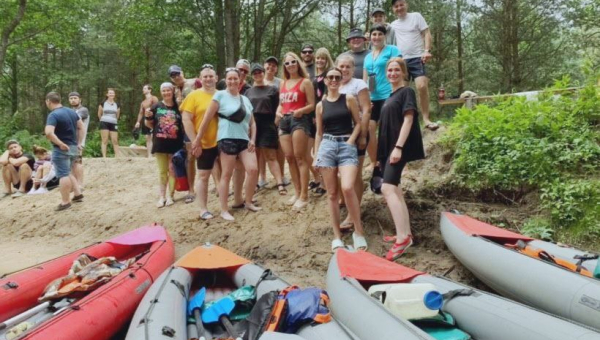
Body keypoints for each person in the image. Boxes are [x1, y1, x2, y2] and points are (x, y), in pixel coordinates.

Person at [195, 68, 260, 221]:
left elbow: (253, 123)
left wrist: (253, 140)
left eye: (235, 79)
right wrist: (198, 139)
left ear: (240, 80)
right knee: (226, 175)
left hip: (244, 140)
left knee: (253, 169)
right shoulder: (220, 95)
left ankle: (248, 201)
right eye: (229, 79)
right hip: (226, 138)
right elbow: (206, 119)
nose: (232, 81)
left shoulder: (245, 99)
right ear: (225, 80)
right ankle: (224, 209)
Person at [314, 68, 366, 251]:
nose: (334, 80)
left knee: (348, 187)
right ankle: (337, 236)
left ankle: (358, 232)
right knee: (332, 194)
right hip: (327, 146)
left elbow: (358, 123)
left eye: (337, 77)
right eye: (331, 77)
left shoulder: (349, 99)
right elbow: (319, 133)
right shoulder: (320, 105)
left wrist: (351, 141)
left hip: (346, 144)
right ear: (326, 81)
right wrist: (316, 156)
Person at [378, 57, 425, 260]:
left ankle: (402, 239)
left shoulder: (407, 92)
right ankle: (405, 234)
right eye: (390, 70)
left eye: (397, 70)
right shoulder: (390, 95)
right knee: (396, 189)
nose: (393, 73)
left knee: (386, 188)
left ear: (404, 72)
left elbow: (409, 119)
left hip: (399, 147)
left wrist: (398, 147)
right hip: (390, 149)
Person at [391, 0, 438, 130]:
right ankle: (404, 121)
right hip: (401, 60)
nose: (399, 8)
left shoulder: (416, 16)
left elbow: (427, 33)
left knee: (422, 86)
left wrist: (427, 51)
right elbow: (380, 32)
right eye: (396, 6)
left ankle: (426, 119)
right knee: (401, 92)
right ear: (393, 9)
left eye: (401, 5)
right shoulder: (393, 25)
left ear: (406, 5)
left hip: (417, 57)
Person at [277, 52, 316, 210]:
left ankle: (304, 195)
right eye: (287, 63)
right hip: (284, 120)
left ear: (298, 63)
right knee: (289, 157)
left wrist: (301, 111)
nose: (291, 65)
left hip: (299, 119)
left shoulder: (305, 82)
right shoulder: (283, 83)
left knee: (300, 157)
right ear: (284, 66)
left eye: (293, 62)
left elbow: (312, 105)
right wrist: (277, 111)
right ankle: (297, 191)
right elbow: (281, 103)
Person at [336, 55, 371, 229]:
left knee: (354, 175)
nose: (344, 69)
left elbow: (366, 110)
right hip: (337, 135)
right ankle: (345, 202)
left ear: (353, 68)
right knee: (340, 173)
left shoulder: (359, 85)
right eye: (341, 66)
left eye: (348, 66)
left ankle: (352, 215)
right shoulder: (334, 85)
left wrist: (363, 135)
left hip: (356, 134)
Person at [182, 66, 221, 220]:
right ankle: (203, 209)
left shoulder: (222, 95)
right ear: (200, 79)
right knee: (203, 175)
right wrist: (194, 141)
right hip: (203, 142)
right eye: (205, 77)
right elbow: (186, 119)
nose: (208, 79)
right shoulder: (193, 96)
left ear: (216, 78)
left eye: (211, 76)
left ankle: (225, 206)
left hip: (223, 141)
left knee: (225, 174)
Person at [363, 24, 402, 168]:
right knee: (369, 128)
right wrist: (365, 98)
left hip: (389, 95)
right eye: (374, 34)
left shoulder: (393, 50)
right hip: (372, 97)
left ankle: (396, 159)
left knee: (390, 128)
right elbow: (365, 79)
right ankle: (375, 161)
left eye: (380, 34)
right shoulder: (367, 57)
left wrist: (399, 92)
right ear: (370, 37)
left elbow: (400, 69)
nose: (377, 37)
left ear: (385, 36)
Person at [245, 64, 286, 194]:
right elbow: (245, 111)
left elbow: (279, 107)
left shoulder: (273, 89)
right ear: (252, 75)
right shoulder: (248, 92)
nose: (257, 74)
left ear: (263, 73)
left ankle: (279, 182)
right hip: (253, 125)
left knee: (271, 155)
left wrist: (277, 123)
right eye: (255, 72)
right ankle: (254, 183)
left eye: (260, 72)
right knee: (254, 156)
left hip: (268, 124)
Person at [145, 83, 184, 208]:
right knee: (162, 171)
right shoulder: (156, 106)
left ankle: (170, 196)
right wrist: (149, 119)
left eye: (168, 90)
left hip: (175, 144)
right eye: (164, 90)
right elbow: (148, 123)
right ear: (161, 92)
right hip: (160, 144)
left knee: (172, 170)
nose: (166, 92)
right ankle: (161, 196)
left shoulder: (178, 107)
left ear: (172, 91)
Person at [44, 91, 84, 211]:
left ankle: (65, 202)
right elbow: (81, 127)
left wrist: (60, 144)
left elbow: (48, 133)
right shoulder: (72, 112)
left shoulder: (53, 115)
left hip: (61, 149)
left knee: (63, 174)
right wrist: (78, 143)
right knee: (68, 171)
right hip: (73, 147)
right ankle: (77, 194)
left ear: (48, 101)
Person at [169, 65, 198, 203]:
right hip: (185, 126)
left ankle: (218, 185)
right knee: (190, 155)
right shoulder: (174, 90)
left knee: (213, 155)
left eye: (177, 73)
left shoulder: (195, 82)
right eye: (172, 75)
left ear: (182, 72)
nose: (176, 76)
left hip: (201, 121)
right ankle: (191, 190)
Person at [310, 48, 336, 196]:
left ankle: (326, 185)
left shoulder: (328, 75)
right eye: (318, 58)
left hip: (324, 114)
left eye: (323, 58)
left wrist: (320, 112)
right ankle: (320, 180)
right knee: (316, 149)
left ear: (327, 60)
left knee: (323, 149)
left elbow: (327, 96)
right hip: (314, 116)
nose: (320, 61)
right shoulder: (315, 76)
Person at [69, 92, 88, 190]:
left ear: (80, 99)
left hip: (79, 141)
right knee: (72, 164)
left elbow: (74, 120)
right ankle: (74, 184)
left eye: (75, 98)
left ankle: (80, 184)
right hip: (71, 141)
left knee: (78, 162)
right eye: (71, 98)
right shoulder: (70, 110)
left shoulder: (83, 110)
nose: (73, 100)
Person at [135, 84, 159, 157]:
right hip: (145, 119)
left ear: (149, 90)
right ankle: (149, 155)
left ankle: (155, 154)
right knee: (147, 137)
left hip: (153, 119)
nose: (143, 90)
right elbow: (141, 113)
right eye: (143, 89)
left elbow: (158, 107)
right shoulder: (143, 102)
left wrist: (152, 111)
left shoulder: (153, 98)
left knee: (153, 136)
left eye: (145, 88)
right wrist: (138, 122)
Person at [97, 88, 121, 158]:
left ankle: (117, 156)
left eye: (112, 93)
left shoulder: (117, 104)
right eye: (110, 93)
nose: (111, 94)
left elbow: (117, 115)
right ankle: (104, 156)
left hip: (113, 123)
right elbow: (99, 114)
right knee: (105, 140)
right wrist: (102, 120)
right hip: (104, 122)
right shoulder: (103, 103)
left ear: (114, 94)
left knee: (115, 140)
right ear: (107, 94)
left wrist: (114, 120)